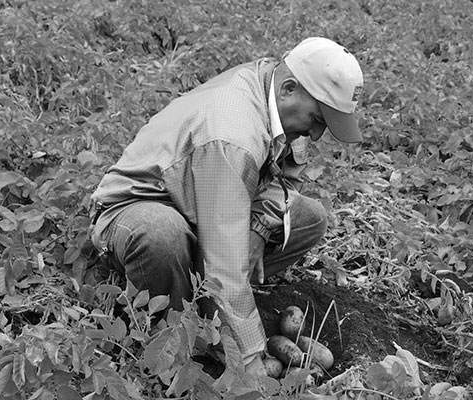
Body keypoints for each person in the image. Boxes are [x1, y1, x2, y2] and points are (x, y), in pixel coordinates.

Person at [89, 37, 364, 376]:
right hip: (137, 209)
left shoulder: (273, 86)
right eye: (319, 119)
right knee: (163, 234)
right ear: (290, 88)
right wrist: (249, 358)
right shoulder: (234, 136)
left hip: (208, 203)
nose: (318, 134)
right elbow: (223, 263)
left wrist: (260, 229)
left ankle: (207, 302)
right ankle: (174, 332)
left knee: (308, 217)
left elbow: (286, 179)